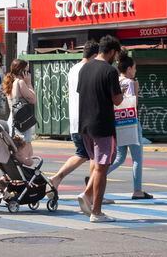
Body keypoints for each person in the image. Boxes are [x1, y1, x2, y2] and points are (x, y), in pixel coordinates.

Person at [77, 35, 124, 223]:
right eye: (116, 54)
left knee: (97, 166)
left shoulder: (85, 68)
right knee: (101, 169)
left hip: (85, 126)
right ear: (111, 52)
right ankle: (96, 211)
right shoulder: (110, 71)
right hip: (102, 125)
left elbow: (83, 93)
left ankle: (87, 196)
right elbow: (117, 100)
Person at [49, 41, 99, 195]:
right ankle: (91, 192)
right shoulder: (89, 69)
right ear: (96, 55)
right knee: (94, 156)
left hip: (75, 119)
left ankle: (57, 178)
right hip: (87, 119)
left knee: (82, 154)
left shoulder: (73, 69)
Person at [107, 50, 152, 200]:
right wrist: (137, 88)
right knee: (137, 159)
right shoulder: (130, 83)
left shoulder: (116, 81)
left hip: (117, 121)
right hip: (131, 122)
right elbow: (133, 104)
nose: (135, 70)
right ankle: (137, 190)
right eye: (135, 68)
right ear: (128, 69)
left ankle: (97, 175)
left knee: (119, 157)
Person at [4, 59, 36, 161]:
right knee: (26, 156)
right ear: (22, 71)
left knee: (18, 151)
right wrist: (29, 83)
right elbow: (33, 99)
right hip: (23, 121)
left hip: (12, 120)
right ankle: (23, 175)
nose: (28, 73)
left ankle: (16, 174)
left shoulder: (10, 82)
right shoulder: (20, 82)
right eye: (27, 71)